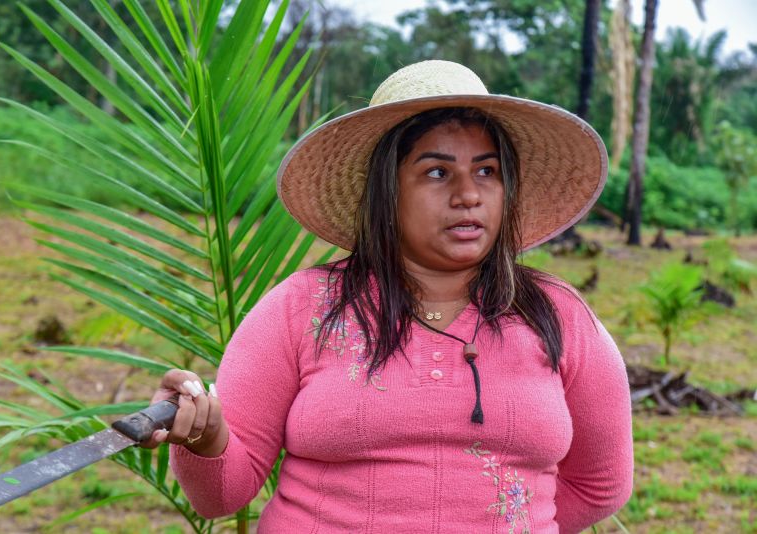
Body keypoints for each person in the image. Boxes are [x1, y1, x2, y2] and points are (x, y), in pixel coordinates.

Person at [144, 60, 633, 533]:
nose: (469, 194)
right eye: (437, 173)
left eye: (486, 171)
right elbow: (221, 496)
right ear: (385, 191)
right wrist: (206, 439)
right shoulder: (301, 309)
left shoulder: (559, 316)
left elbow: (600, 485)